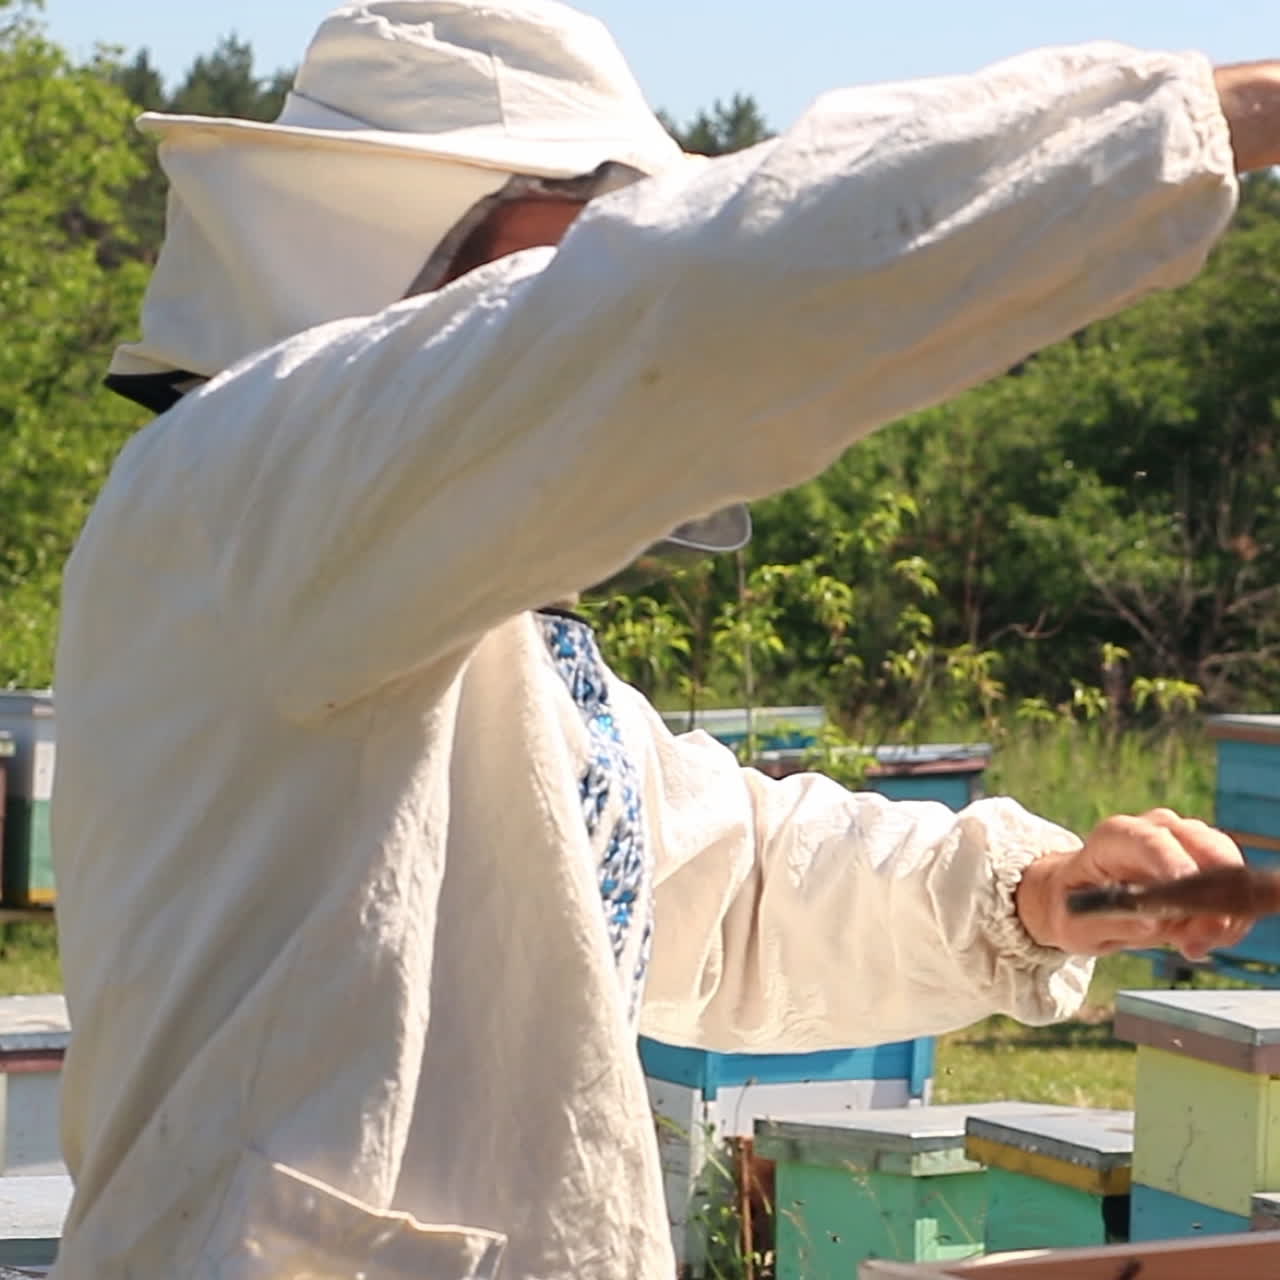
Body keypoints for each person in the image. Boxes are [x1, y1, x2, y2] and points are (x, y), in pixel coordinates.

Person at [48, 2, 1280, 1276]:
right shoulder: (246, 492)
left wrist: (1024, 896)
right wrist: (1213, 116)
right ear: (408, 244)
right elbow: (684, 305)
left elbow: (718, 885)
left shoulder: (463, 633)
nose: (586, 294)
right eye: (576, 248)